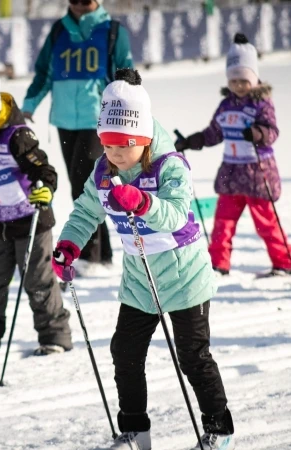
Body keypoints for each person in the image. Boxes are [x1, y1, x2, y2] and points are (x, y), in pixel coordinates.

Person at [54, 68, 235, 450]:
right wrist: (70, 244)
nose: (116, 154)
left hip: (184, 277)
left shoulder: (170, 166)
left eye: (125, 144)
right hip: (139, 280)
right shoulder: (105, 170)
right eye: (108, 144)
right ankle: (135, 431)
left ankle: (219, 430)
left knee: (193, 357)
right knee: (125, 352)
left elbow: (174, 214)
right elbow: (87, 211)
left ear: (145, 138)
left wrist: (143, 201)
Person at [0, 54, 72, 358]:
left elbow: (45, 170)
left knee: (38, 282)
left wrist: (44, 189)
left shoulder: (15, 136)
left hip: (31, 220)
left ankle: (54, 337)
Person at [22, 0, 133, 272]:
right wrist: (29, 105)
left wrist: (130, 115)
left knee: (85, 183)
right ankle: (101, 253)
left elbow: (128, 77)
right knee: (79, 184)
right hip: (63, 119)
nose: (81, 6)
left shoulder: (112, 31)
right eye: (75, 0)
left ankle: (91, 255)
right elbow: (44, 73)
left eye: (87, 0)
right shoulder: (59, 30)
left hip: (98, 119)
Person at [176, 33, 291, 277]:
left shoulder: (262, 104)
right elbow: (214, 133)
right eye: (233, 81)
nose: (238, 86)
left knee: (266, 223)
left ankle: (283, 263)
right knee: (223, 222)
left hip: (257, 172)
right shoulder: (226, 106)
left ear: (253, 78)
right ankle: (218, 264)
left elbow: (273, 132)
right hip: (231, 173)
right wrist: (191, 141)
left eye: (243, 80)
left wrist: (257, 133)